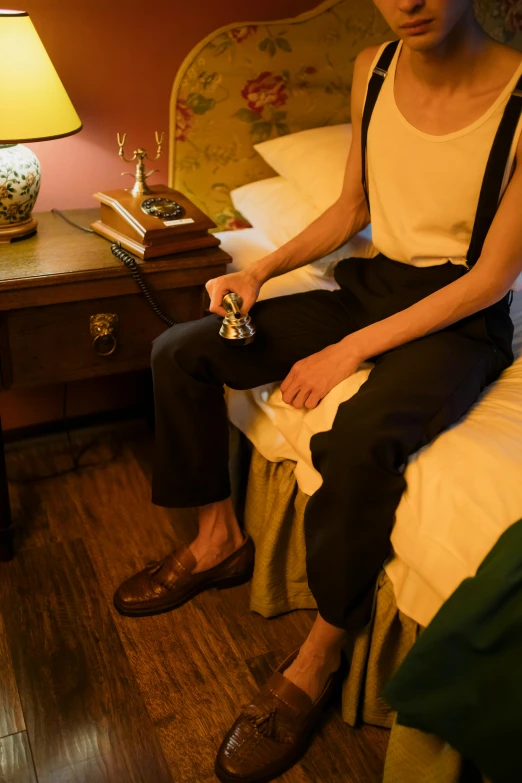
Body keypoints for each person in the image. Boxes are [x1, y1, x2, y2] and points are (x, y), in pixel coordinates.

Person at [114, 0, 522, 780]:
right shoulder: (372, 69)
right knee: (180, 352)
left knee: (361, 441)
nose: (408, 1)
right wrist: (256, 271)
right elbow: (352, 209)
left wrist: (347, 351)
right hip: (373, 285)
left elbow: (492, 279)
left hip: (462, 315)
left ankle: (321, 653)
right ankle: (216, 537)